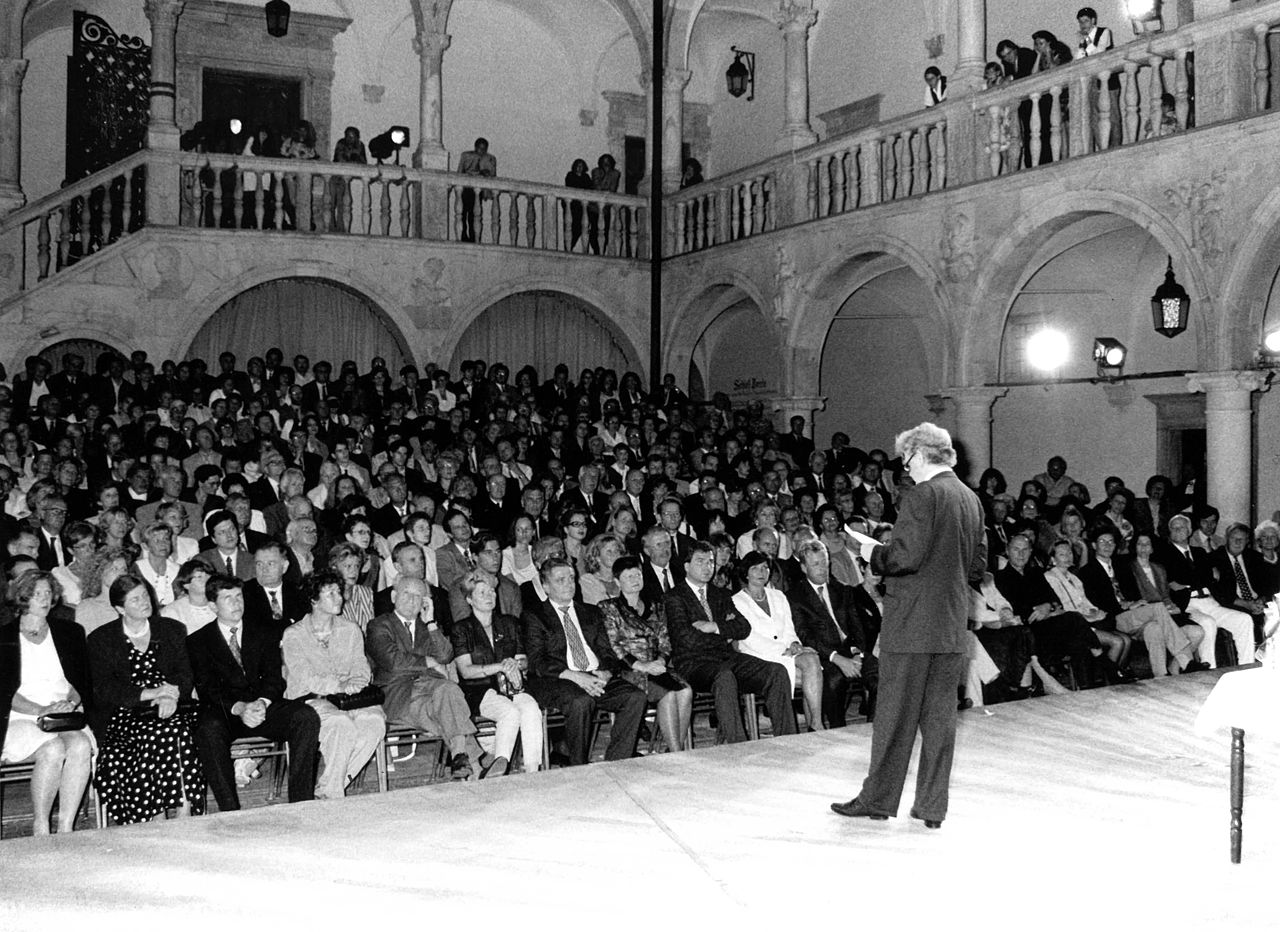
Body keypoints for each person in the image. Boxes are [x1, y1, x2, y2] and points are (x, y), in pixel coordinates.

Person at [833, 423, 985, 830]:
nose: (904, 466)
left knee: (894, 717)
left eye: (906, 458)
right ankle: (932, 807)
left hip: (912, 624)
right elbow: (977, 568)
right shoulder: (970, 498)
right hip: (950, 626)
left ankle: (878, 799)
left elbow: (904, 558)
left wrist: (871, 551)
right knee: (940, 722)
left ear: (919, 454)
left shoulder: (922, 495)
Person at [186, 574, 321, 811]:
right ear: (213, 606)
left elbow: (274, 679)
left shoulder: (264, 631)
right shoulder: (198, 641)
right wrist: (240, 708)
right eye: (228, 598)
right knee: (207, 730)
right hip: (227, 712)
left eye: (239, 596)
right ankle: (229, 810)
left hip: (262, 707)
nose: (236, 603)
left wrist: (261, 702)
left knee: (305, 716)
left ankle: (301, 803)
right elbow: (207, 689)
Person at [89, 574, 205, 824]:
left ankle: (183, 811)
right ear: (120, 609)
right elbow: (106, 688)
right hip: (126, 712)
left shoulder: (171, 629)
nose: (144, 602)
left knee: (173, 728)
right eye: (135, 599)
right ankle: (158, 813)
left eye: (145, 595)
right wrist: (153, 694)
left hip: (172, 704)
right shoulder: (102, 639)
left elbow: (185, 674)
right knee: (155, 733)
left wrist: (171, 695)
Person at [667, 541, 797, 744]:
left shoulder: (721, 594)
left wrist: (714, 627)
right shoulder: (674, 597)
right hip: (693, 663)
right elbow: (686, 639)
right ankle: (739, 745)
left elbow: (743, 628)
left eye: (711, 562)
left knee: (776, 671)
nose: (707, 567)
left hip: (725, 657)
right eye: (700, 561)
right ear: (686, 566)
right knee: (725, 676)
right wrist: (724, 634)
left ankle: (788, 739)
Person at [522, 557, 647, 765]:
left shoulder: (590, 611)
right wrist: (576, 677)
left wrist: (606, 672)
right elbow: (537, 660)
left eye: (571, 578)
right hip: (558, 678)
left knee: (635, 697)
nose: (569, 584)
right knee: (581, 702)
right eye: (560, 580)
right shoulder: (534, 615)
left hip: (595, 675)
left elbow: (608, 652)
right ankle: (578, 766)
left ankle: (618, 761)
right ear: (545, 586)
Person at [367, 575, 491, 780]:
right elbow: (392, 661)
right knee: (448, 714)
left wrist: (431, 622)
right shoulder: (379, 625)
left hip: (433, 689)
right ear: (393, 596)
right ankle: (475, 767)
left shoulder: (427, 627)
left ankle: (462, 760)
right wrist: (429, 662)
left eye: (418, 596)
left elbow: (445, 655)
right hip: (399, 695)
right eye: (406, 593)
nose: (412, 600)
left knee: (449, 690)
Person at [0, 570, 94, 835]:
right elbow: (5, 692)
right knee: (52, 749)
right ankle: (41, 824)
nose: (44, 599)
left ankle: (66, 826)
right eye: (36, 594)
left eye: (48, 593)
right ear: (22, 598)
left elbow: (82, 680)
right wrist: (41, 710)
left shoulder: (70, 632)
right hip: (21, 716)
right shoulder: (4, 637)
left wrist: (70, 702)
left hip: (62, 713)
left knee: (80, 745)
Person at [281, 571, 385, 799]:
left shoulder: (350, 629)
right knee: (340, 724)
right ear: (314, 599)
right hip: (310, 698)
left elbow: (361, 666)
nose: (339, 598)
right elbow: (304, 677)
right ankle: (332, 792)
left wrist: (356, 682)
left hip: (349, 697)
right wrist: (339, 685)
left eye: (339, 592)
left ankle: (329, 788)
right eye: (331, 593)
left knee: (374, 723)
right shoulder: (294, 635)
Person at [451, 569, 542, 775]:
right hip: (478, 690)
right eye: (482, 593)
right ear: (469, 599)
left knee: (531, 709)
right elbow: (466, 671)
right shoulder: (461, 629)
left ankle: (533, 770)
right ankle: (499, 767)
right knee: (509, 712)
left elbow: (523, 660)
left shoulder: (510, 623)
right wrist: (500, 666)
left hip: (511, 685)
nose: (489, 596)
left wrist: (514, 664)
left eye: (492, 591)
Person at [599, 554, 693, 751]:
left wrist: (660, 661)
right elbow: (614, 645)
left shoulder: (656, 606)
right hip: (630, 670)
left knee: (686, 692)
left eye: (638, 575)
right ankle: (677, 752)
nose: (635, 580)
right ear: (617, 582)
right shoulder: (609, 608)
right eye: (629, 577)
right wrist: (641, 665)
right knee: (668, 694)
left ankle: (672, 749)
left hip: (656, 666)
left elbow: (665, 640)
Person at [732, 550, 825, 730]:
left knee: (811, 661)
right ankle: (816, 725)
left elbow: (789, 628)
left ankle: (815, 723)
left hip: (786, 652)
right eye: (755, 568)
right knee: (812, 674)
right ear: (746, 573)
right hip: (759, 656)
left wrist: (794, 644)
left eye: (765, 568)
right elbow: (748, 638)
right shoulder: (736, 601)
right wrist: (784, 650)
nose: (761, 572)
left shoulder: (779, 596)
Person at [457, 137, 496, 242]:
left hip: (477, 191)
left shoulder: (489, 159)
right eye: (480, 148)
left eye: (484, 149)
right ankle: (463, 236)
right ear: (475, 147)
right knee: (463, 213)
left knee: (474, 214)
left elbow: (492, 175)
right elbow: (460, 172)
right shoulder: (466, 155)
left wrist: (488, 191)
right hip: (466, 189)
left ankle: (473, 237)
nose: (482, 151)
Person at [564, 158, 594, 252]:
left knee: (583, 227)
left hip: (583, 207)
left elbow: (590, 189)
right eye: (578, 166)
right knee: (572, 228)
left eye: (582, 166)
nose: (580, 168)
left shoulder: (586, 177)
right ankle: (568, 248)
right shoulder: (570, 175)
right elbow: (570, 187)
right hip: (573, 207)